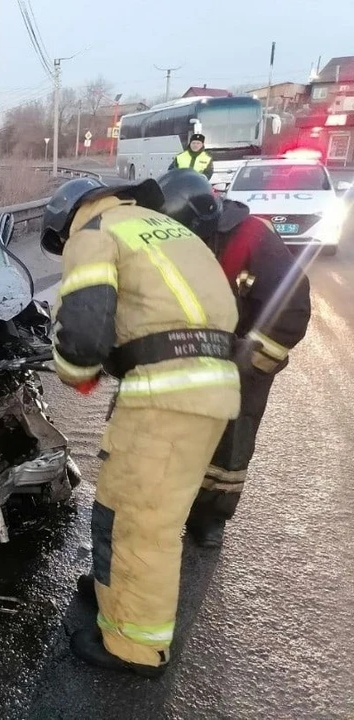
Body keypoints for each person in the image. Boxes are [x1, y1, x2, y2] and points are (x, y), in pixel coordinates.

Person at [41, 176, 241, 677]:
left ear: (66, 218)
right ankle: (115, 593)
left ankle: (133, 648)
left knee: (141, 524)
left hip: (166, 400)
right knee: (121, 505)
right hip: (204, 387)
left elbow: (83, 334)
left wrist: (76, 372)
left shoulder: (94, 231)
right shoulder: (159, 226)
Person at [158, 168, 312, 547]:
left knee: (230, 443)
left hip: (245, 360)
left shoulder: (252, 237)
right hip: (190, 356)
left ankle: (210, 517)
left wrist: (248, 362)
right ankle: (167, 507)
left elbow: (291, 306)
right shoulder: (172, 237)